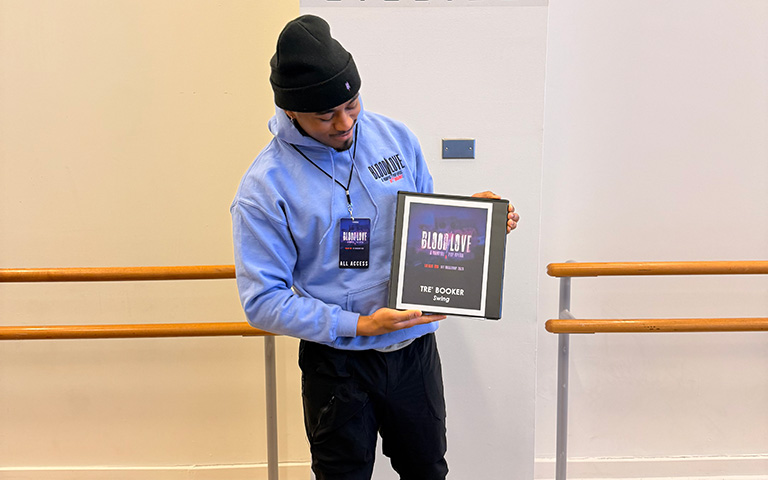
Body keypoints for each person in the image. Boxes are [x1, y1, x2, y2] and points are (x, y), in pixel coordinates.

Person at [231, 14, 519, 480]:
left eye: (351, 104)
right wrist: (360, 325)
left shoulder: (395, 138)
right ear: (291, 112)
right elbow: (263, 302)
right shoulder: (264, 189)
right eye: (326, 115)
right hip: (337, 364)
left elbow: (421, 234)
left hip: (414, 350)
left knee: (427, 470)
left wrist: (473, 222)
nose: (344, 123)